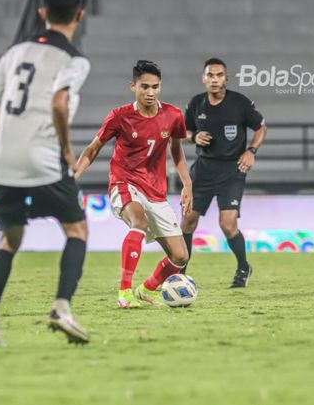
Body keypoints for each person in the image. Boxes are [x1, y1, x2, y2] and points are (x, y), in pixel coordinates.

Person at [0, 0, 91, 345]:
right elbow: (58, 103)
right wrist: (68, 150)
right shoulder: (74, 60)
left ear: (43, 13)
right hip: (43, 159)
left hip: (3, 161)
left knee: (9, 239)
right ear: (79, 15)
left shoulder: (16, 51)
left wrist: (0, 140)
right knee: (76, 230)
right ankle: (61, 307)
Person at [75, 60, 192, 308]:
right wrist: (73, 176)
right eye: (144, 87)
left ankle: (145, 289)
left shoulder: (173, 116)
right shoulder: (120, 116)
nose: (150, 93)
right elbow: (93, 148)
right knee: (139, 221)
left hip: (155, 189)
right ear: (133, 87)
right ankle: (124, 291)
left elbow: (177, 151)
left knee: (180, 256)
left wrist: (187, 184)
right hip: (124, 181)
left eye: (155, 87)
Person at [180, 58, 267, 288]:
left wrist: (251, 151)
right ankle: (180, 274)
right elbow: (184, 132)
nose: (215, 79)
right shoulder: (196, 103)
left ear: (226, 79)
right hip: (203, 169)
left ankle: (243, 267)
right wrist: (193, 137)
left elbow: (261, 127)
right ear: (204, 78)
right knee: (187, 221)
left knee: (227, 224)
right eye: (210, 75)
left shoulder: (240, 103)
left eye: (219, 75)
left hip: (232, 169)